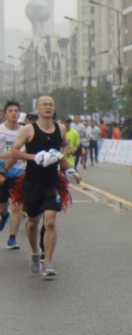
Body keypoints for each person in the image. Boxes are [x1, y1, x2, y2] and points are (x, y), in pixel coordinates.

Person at [7, 95, 81, 279]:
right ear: (38, 109)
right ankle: (34, 252)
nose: (48, 107)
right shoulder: (28, 130)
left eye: (51, 105)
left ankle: (48, 263)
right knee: (33, 222)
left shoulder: (60, 128)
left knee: (50, 221)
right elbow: (14, 151)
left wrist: (69, 169)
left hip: (52, 182)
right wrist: (35, 157)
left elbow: (64, 147)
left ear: (54, 108)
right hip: (32, 181)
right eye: (44, 105)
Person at [0, 101, 26, 249]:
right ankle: (4, 216)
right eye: (10, 111)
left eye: (16, 111)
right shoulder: (1, 131)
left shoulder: (24, 131)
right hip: (1, 172)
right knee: (2, 208)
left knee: (16, 206)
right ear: (5, 114)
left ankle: (12, 238)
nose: (14, 113)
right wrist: (11, 154)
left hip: (18, 172)